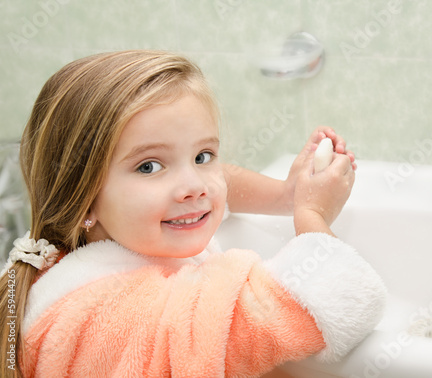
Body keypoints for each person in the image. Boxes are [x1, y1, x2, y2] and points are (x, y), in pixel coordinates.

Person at [0, 50, 386, 378]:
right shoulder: (116, 320)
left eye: (203, 155)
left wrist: (286, 195)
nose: (195, 186)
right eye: (149, 166)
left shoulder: (107, 245)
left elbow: (220, 182)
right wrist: (311, 213)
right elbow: (332, 301)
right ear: (82, 199)